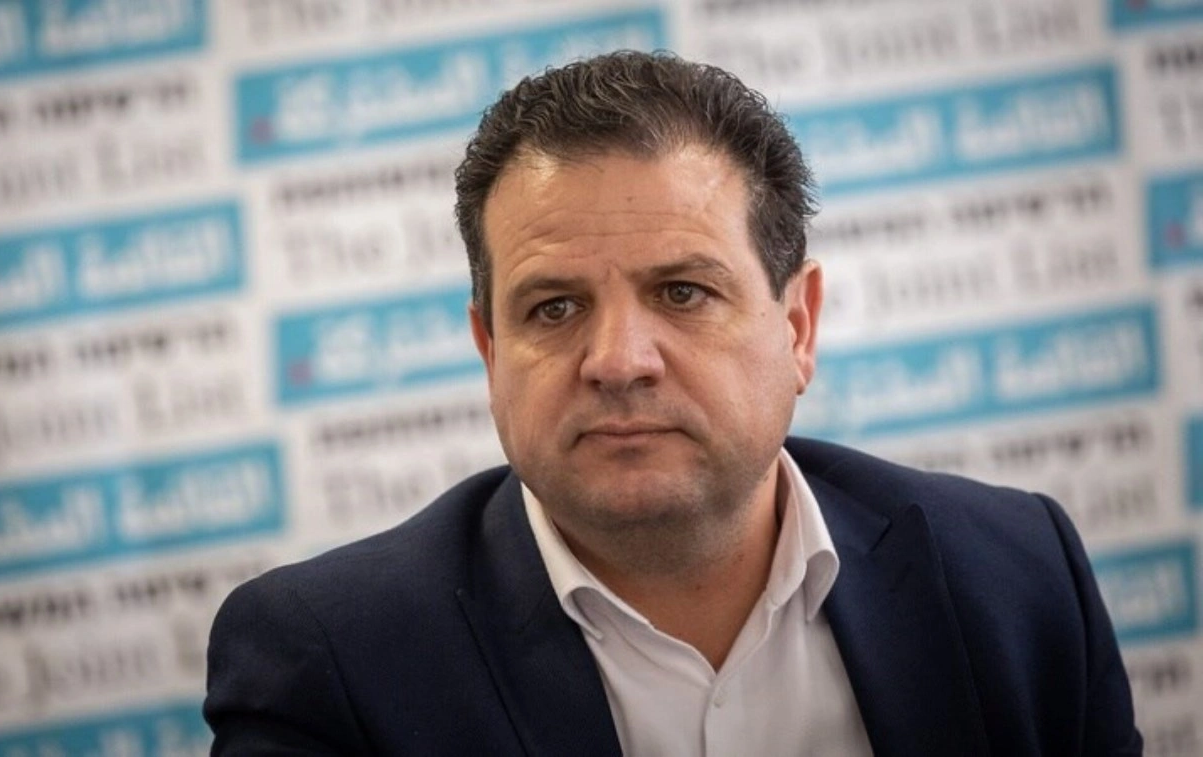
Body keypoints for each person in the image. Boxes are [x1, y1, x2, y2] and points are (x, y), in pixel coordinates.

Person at [204, 51, 1142, 756]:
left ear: (798, 327)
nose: (618, 361)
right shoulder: (327, 660)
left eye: (683, 291)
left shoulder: (1017, 574)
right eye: (554, 307)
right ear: (490, 349)